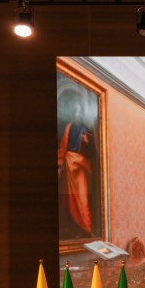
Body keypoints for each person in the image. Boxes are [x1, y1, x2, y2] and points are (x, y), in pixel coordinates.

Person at [58, 91, 96, 235]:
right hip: (68, 163)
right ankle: (75, 229)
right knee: (70, 197)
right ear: (73, 113)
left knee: (83, 196)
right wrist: (59, 166)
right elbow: (63, 147)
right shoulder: (68, 127)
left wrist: (88, 142)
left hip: (80, 164)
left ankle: (87, 226)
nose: (79, 114)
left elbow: (92, 152)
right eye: (77, 111)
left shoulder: (86, 129)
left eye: (81, 112)